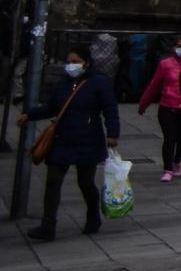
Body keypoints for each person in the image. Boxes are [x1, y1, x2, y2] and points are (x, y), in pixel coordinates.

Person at [19, 46, 120, 241]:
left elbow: (110, 109)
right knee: (53, 181)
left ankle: (93, 216)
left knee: (85, 182)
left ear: (86, 63)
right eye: (69, 62)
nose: (71, 66)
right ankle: (48, 225)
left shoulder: (98, 82)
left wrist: (113, 133)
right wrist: (30, 115)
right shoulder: (63, 83)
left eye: (75, 62)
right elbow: (52, 107)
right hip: (63, 138)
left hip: (87, 139)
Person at [138, 31, 181, 182]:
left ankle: (177, 162)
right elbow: (154, 85)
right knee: (170, 138)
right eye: (180, 46)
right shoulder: (165, 64)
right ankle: (168, 168)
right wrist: (143, 104)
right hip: (167, 107)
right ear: (173, 48)